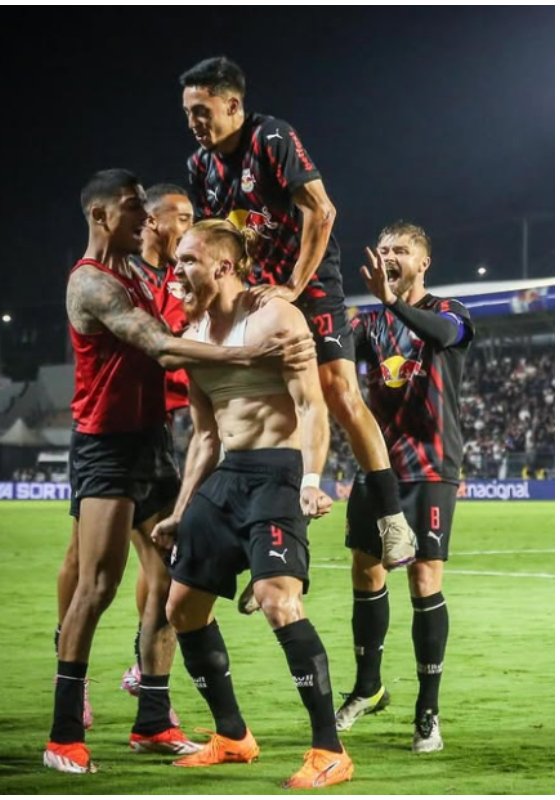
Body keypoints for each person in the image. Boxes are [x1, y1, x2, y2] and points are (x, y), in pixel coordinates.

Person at [44, 169, 315, 775]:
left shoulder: (141, 272)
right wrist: (248, 352)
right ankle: (64, 730)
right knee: (98, 584)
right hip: (105, 449)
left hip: (155, 444)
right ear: (99, 215)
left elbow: (197, 304)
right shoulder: (91, 283)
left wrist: (267, 294)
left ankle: (154, 721)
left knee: (171, 580)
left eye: (147, 209)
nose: (144, 218)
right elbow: (162, 346)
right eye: (132, 208)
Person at [180, 56, 417, 574]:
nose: (194, 122)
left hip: (308, 286)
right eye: (188, 113)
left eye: (202, 110)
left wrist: (293, 284)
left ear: (233, 105)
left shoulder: (271, 138)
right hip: (258, 296)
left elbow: (322, 211)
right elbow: (215, 239)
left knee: (337, 391)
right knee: (274, 409)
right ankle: (277, 545)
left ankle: (393, 520)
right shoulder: (200, 168)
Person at [154, 219, 353, 788]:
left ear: (222, 265)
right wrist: (181, 508)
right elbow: (205, 435)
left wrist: (312, 479)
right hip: (225, 477)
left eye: (188, 260)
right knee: (182, 609)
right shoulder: (193, 334)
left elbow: (312, 407)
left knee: (277, 601)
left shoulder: (277, 318)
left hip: (277, 473)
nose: (178, 272)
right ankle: (233, 735)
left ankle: (329, 751)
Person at [335, 222, 473, 753]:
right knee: (366, 571)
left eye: (402, 250)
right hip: (379, 467)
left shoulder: (450, 312)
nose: (390, 255)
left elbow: (440, 339)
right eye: (385, 249)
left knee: (423, 578)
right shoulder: (368, 323)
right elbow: (332, 349)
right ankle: (368, 687)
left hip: (432, 466)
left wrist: (391, 301)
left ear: (423, 263)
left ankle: (427, 710)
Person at [118, 182, 195, 701]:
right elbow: (162, 349)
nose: (190, 226)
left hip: (166, 428)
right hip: (114, 432)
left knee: (162, 559)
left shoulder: (180, 277)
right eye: (182, 217)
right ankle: (71, 680)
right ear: (152, 219)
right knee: (88, 571)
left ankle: (145, 677)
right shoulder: (119, 276)